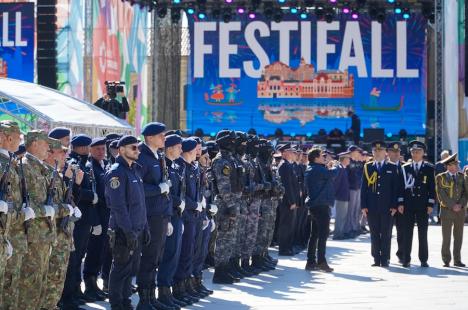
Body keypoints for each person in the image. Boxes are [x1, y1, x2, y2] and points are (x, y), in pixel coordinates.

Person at [105, 135, 149, 309]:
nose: (137, 151)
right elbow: (118, 206)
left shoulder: (135, 170)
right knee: (120, 269)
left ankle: (126, 301)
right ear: (122, 150)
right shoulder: (116, 172)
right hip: (122, 230)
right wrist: (128, 231)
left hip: (137, 228)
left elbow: (141, 203)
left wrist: (145, 227)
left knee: (130, 270)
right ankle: (117, 304)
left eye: (138, 147)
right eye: (133, 148)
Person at [41, 138, 83, 310]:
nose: (66, 155)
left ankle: (60, 302)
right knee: (48, 276)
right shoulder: (46, 174)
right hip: (49, 235)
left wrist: (76, 186)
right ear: (49, 154)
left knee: (62, 273)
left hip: (63, 233)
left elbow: (69, 201)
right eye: (62, 152)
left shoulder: (57, 174)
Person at [136, 122, 173, 310]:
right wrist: (158, 189)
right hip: (150, 215)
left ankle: (151, 297)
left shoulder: (157, 156)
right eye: (161, 135)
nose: (164, 139)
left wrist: (167, 214)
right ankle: (144, 299)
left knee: (156, 258)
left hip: (160, 214)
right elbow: (138, 187)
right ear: (149, 137)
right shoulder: (142, 156)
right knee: (149, 258)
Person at [17, 130, 57, 309]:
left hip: (43, 236)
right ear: (33, 144)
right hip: (32, 236)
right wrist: (45, 210)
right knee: (29, 289)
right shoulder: (25, 166)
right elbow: (25, 203)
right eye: (45, 143)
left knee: (40, 285)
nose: (49, 147)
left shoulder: (40, 168)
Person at [62, 134, 99, 306]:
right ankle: (69, 294)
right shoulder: (73, 163)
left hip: (85, 218)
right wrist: (91, 196)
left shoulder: (85, 163)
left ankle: (76, 290)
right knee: (73, 259)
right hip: (77, 217)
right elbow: (71, 190)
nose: (88, 150)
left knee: (78, 259)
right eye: (86, 147)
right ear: (79, 147)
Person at [157, 134, 193, 308]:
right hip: (169, 215)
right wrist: (171, 215)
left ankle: (169, 291)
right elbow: (167, 195)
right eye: (178, 146)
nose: (181, 149)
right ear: (170, 148)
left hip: (178, 216)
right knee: (168, 255)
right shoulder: (165, 167)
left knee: (175, 255)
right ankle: (163, 292)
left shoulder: (176, 167)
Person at [0, 120, 30, 310]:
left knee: (9, 286)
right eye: (15, 134)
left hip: (10, 232)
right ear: (3, 137)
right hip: (5, 231)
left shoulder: (9, 161)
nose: (20, 138)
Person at [173, 138, 205, 299]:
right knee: (183, 253)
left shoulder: (192, 168)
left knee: (191, 252)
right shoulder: (181, 168)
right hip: (185, 215)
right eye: (195, 150)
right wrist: (194, 205)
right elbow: (182, 195)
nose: (198, 153)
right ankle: (179, 288)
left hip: (193, 215)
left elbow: (197, 190)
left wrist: (200, 204)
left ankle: (186, 285)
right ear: (188, 151)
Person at [361, 140, 400, 267]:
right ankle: (376, 258)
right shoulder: (368, 167)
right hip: (371, 206)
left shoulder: (392, 167)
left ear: (385, 153)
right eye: (375, 151)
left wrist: (394, 205)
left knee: (386, 233)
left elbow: (395, 188)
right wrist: (363, 205)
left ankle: (385, 258)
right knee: (374, 233)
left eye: (380, 150)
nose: (377, 153)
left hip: (387, 207)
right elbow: (364, 187)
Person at [82, 137, 111, 301]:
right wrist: (95, 222)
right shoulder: (90, 167)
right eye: (98, 149)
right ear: (91, 150)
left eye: (103, 149)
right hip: (97, 216)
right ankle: (89, 285)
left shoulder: (103, 165)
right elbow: (92, 200)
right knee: (93, 252)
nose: (101, 151)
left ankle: (95, 285)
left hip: (106, 215)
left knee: (101, 252)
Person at [211, 130, 241, 284]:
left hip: (232, 203)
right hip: (225, 205)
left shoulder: (231, 160)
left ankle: (225, 269)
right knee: (223, 239)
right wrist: (231, 205)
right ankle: (219, 272)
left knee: (230, 239)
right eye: (232, 141)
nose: (234, 143)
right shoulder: (221, 161)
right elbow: (224, 187)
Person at [400, 140, 435, 268]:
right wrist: (401, 202)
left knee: (422, 233)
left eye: (418, 152)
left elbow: (432, 188)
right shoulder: (405, 168)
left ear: (423, 153)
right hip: (408, 205)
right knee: (407, 233)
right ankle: (406, 259)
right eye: (413, 152)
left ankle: (423, 259)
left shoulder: (429, 168)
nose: (415, 154)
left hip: (423, 205)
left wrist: (431, 204)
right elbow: (401, 188)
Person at [304, 148, 337, 272]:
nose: (324, 158)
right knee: (323, 235)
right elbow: (332, 174)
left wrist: (328, 167)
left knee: (315, 235)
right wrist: (335, 166)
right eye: (321, 156)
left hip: (315, 205)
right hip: (320, 205)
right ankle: (321, 262)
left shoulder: (313, 168)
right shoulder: (317, 169)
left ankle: (311, 262)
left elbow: (325, 176)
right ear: (316, 158)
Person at [435, 153, 467, 267]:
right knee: (446, 237)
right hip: (447, 210)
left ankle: (457, 260)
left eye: (456, 165)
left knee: (458, 237)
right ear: (448, 166)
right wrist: (453, 205)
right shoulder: (440, 177)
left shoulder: (462, 176)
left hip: (460, 211)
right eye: (454, 165)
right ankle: (446, 259)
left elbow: (465, 193)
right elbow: (441, 194)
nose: (456, 167)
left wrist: (461, 205)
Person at [277, 143, 300, 256]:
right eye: (290, 151)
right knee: (286, 225)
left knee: (290, 225)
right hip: (287, 201)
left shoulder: (288, 165)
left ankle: (288, 247)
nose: (293, 153)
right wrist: (292, 201)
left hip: (291, 200)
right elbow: (287, 185)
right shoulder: (284, 165)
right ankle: (284, 248)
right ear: (285, 152)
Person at [386, 142, 405, 263]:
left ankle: (402, 254)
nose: (396, 154)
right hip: (388, 205)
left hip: (402, 205)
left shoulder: (405, 166)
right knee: (387, 232)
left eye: (398, 152)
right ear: (388, 153)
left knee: (402, 231)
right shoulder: (384, 166)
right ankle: (386, 256)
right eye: (393, 151)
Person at [344, 145, 364, 237]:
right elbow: (347, 176)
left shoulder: (356, 162)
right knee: (350, 210)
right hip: (351, 188)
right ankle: (348, 229)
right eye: (356, 151)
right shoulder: (348, 161)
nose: (358, 153)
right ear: (352, 152)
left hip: (357, 187)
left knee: (355, 209)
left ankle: (354, 227)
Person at [333, 151, 351, 240]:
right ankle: (337, 234)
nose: (349, 160)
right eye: (348, 158)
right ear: (343, 159)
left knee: (343, 216)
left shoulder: (343, 168)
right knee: (340, 216)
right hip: (340, 196)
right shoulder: (339, 168)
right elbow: (336, 183)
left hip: (344, 196)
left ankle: (340, 232)